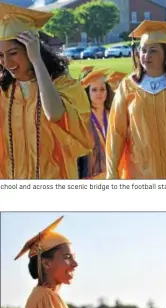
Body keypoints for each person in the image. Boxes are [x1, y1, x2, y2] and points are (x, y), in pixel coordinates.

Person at [14, 216, 129, 308]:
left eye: (73, 257)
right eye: (67, 257)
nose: (75, 264)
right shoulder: (46, 298)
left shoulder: (41, 296)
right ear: (46, 263)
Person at [0, 2, 93, 179]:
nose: (6, 62)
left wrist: (37, 61)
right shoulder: (4, 92)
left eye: (13, 53)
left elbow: (54, 114)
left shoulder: (65, 85)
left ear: (32, 49)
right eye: (0, 55)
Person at [106, 20, 166, 179]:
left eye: (153, 51)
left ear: (165, 55)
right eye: (143, 50)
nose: (146, 56)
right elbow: (116, 131)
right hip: (140, 171)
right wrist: (112, 172)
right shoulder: (128, 86)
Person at [80, 68, 115, 179]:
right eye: (94, 90)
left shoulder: (113, 114)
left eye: (102, 89)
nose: (99, 93)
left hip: (113, 171)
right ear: (87, 92)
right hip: (91, 174)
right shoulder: (83, 117)